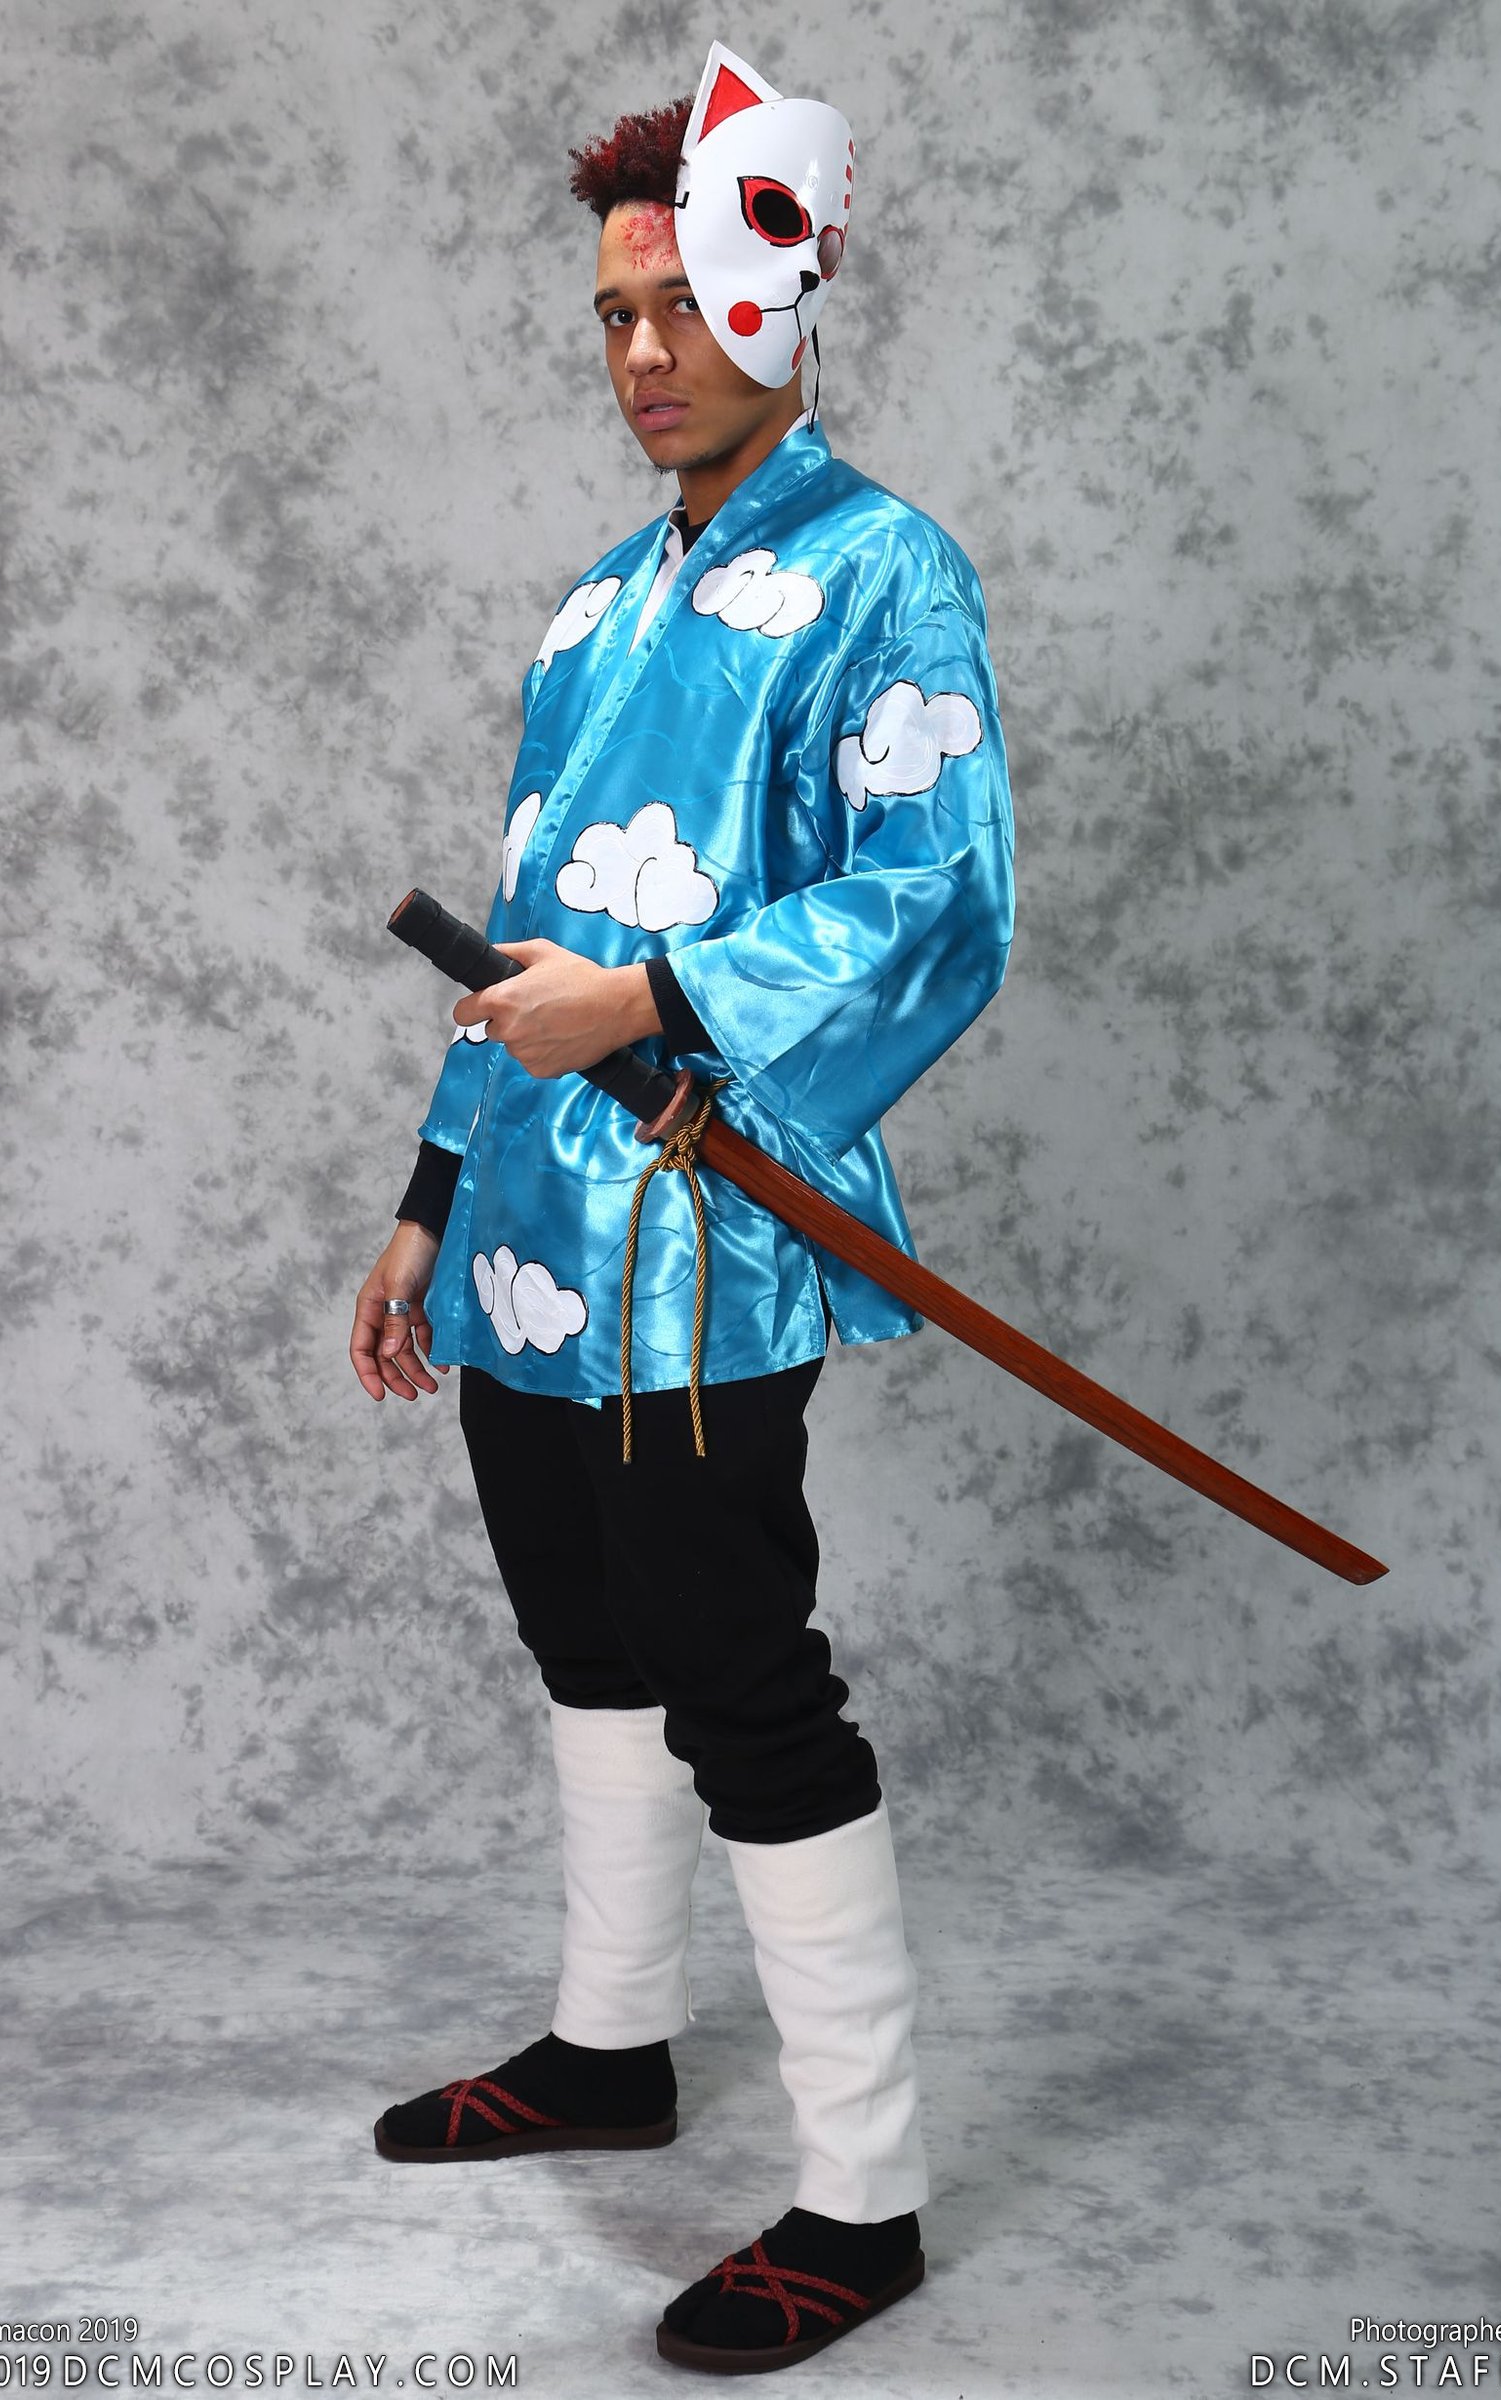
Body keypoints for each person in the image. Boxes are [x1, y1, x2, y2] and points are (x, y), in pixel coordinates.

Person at [348, 39, 1015, 2376]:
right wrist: (431, 1197)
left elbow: (934, 899)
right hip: (531, 1240)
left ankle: (865, 2195)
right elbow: (522, 935)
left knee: (739, 1674)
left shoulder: (882, 576)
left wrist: (652, 995)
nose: (643, 355)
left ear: (784, 299)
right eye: (613, 318)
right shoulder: (585, 614)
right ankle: (609, 2046)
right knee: (584, 1645)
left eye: (681, 309)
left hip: (705, 1242)